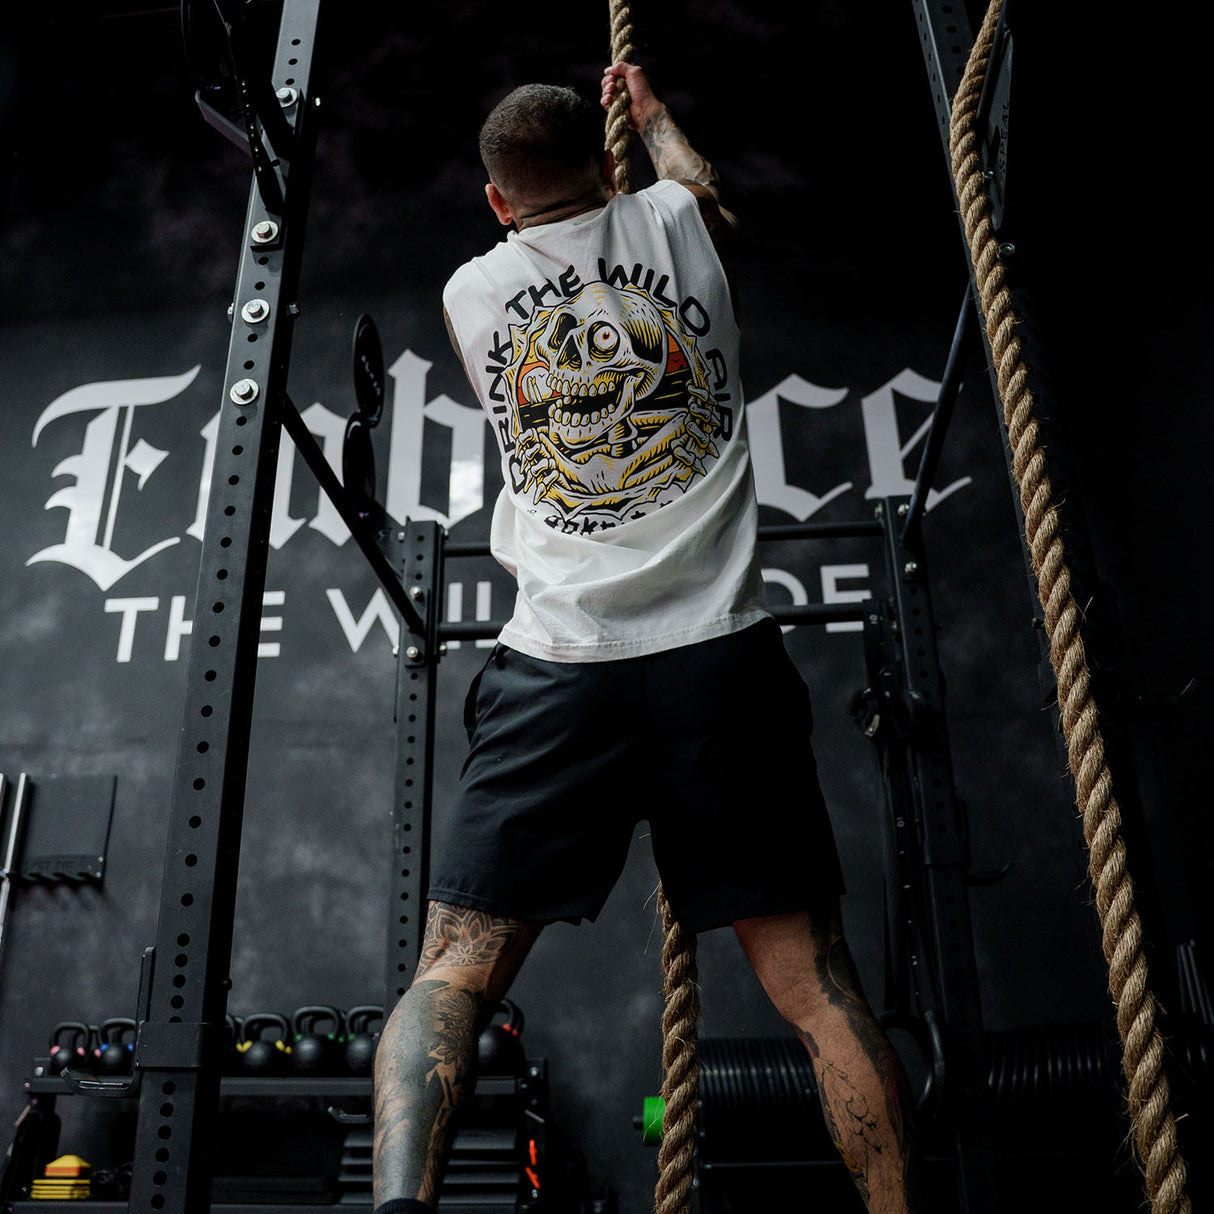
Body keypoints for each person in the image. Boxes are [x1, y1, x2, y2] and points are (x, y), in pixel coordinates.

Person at [372, 62, 922, 1214]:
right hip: (717, 662)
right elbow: (700, 190)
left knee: (452, 974)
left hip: (556, 666)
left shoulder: (473, 289)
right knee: (818, 989)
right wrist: (656, 115)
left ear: (496, 199)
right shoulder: (675, 219)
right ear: (606, 163)